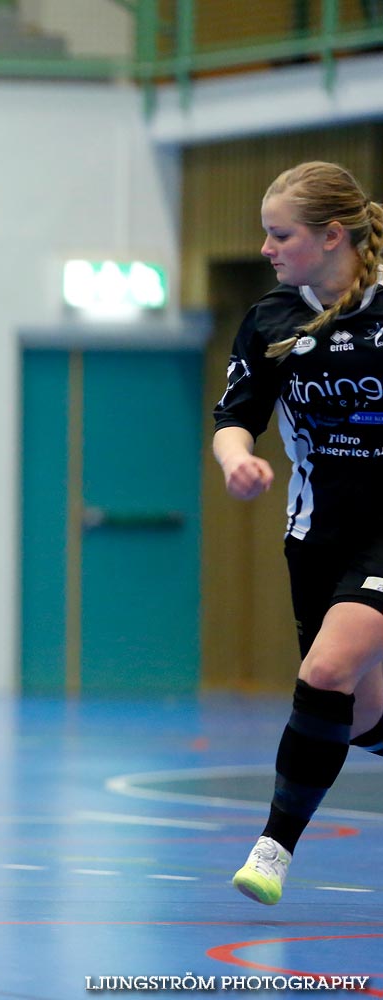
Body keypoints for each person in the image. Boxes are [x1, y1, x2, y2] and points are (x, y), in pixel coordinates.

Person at [214, 160, 383, 905]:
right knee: (359, 712)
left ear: (331, 236)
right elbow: (234, 419)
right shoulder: (273, 320)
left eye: (279, 234)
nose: (267, 248)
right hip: (317, 534)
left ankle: (274, 848)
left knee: (325, 672)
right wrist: (238, 460)